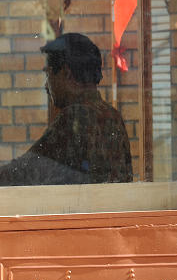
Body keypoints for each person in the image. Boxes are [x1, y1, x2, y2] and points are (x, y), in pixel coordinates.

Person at [0, 32, 133, 185]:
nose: (46, 86)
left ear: (66, 73)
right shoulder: (113, 116)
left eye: (48, 74)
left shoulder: (75, 116)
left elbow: (23, 172)